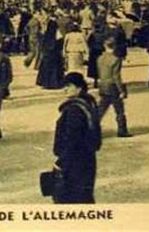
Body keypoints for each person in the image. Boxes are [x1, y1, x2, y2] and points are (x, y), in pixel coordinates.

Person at [52, 72, 102, 203]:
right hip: (88, 159)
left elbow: (72, 139)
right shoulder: (88, 104)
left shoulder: (74, 110)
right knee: (85, 196)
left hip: (74, 162)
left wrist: (61, 161)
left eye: (69, 86)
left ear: (79, 88)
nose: (65, 89)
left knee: (71, 199)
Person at [97, 37, 132, 137]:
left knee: (101, 109)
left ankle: (93, 127)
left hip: (103, 84)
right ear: (115, 46)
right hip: (113, 86)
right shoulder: (116, 59)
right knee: (119, 109)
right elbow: (116, 76)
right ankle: (122, 130)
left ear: (104, 46)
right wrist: (121, 90)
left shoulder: (99, 59)